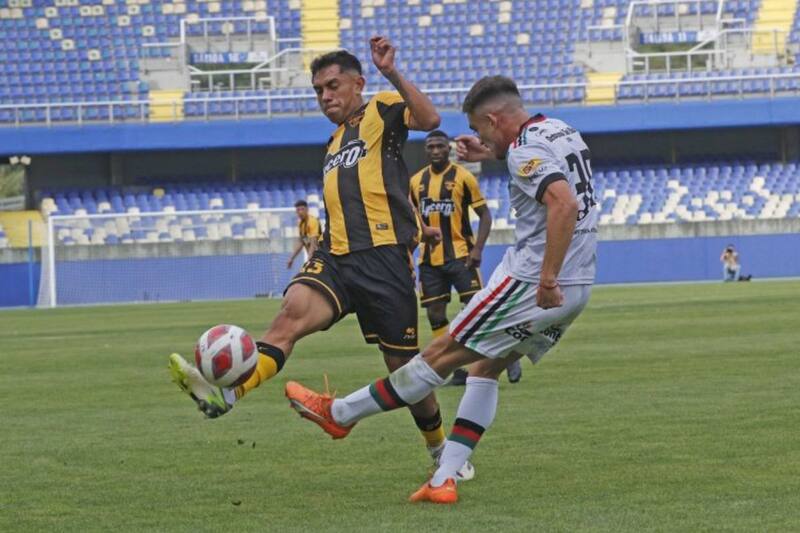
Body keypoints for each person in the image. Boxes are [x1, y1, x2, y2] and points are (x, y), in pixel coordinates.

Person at [285, 75, 599, 503]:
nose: (478, 138)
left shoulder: (525, 148)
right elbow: (551, 175)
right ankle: (443, 480)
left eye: (481, 130)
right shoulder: (561, 131)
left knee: (438, 355)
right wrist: (490, 152)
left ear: (492, 117)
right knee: (483, 369)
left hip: (533, 281)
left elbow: (563, 202)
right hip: (580, 285)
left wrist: (546, 277)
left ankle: (340, 414)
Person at [169, 39, 473, 478]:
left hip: (384, 261)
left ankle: (439, 449)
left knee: (405, 370)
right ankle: (228, 395)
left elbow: (430, 119)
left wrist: (392, 72)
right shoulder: (333, 143)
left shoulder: (384, 109)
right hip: (335, 257)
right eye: (318, 90)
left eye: (333, 86)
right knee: (288, 317)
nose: (325, 96)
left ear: (357, 84)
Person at [286, 199, 321, 269]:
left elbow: (313, 241)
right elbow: (302, 242)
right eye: (298, 210)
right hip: (313, 258)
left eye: (302, 209)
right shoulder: (301, 224)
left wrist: (310, 257)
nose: (300, 212)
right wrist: (291, 258)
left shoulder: (312, 221)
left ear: (307, 209)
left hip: (321, 256)